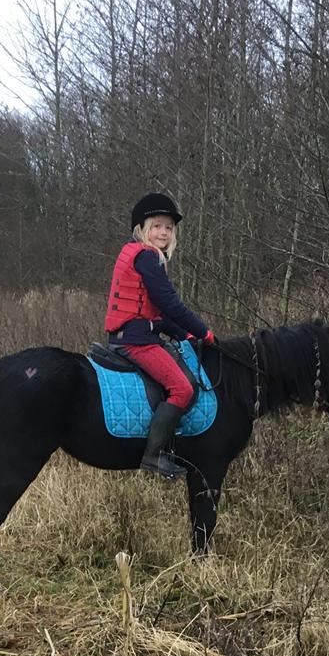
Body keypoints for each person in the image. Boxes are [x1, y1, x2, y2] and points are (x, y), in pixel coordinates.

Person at [104, 191, 216, 481]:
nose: (163, 232)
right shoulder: (147, 257)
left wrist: (187, 335)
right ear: (143, 229)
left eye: (168, 226)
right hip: (135, 342)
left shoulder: (137, 254)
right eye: (157, 225)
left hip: (134, 335)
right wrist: (204, 331)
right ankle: (153, 456)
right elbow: (169, 303)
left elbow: (158, 315)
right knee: (184, 389)